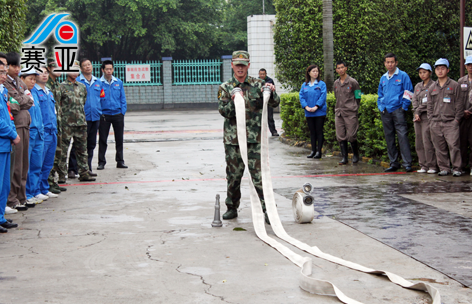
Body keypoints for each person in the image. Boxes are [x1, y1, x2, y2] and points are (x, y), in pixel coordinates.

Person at [218, 50, 279, 223]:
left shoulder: (259, 85)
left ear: (248, 66)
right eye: (237, 65)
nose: (240, 69)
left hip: (254, 140)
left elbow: (275, 102)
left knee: (259, 176)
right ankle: (232, 207)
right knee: (234, 176)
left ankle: (267, 210)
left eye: (243, 66)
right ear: (232, 65)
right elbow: (224, 111)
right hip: (234, 141)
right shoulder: (225, 87)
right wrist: (234, 99)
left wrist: (271, 92)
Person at [56, 62, 96, 182]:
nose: (74, 72)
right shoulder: (61, 87)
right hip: (66, 124)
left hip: (81, 123)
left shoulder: (82, 87)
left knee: (82, 150)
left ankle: (84, 173)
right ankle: (62, 175)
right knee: (63, 151)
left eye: (76, 69)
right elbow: (59, 105)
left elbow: (82, 102)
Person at [4, 52, 34, 211]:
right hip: (15, 126)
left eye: (18, 66)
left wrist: (22, 99)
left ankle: (21, 197)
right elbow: (13, 105)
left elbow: (28, 100)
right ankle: (11, 199)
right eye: (13, 66)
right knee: (15, 165)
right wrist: (23, 99)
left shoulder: (18, 82)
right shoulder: (6, 84)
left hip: (25, 125)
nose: (17, 69)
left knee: (24, 164)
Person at [377, 53, 414, 172]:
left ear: (396, 63)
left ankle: (407, 163)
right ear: (384, 63)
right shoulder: (383, 78)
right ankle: (394, 163)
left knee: (402, 136)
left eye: (392, 62)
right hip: (386, 111)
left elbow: (409, 92)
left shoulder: (403, 76)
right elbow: (380, 94)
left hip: (398, 110)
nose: (390, 64)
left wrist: (403, 107)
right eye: (387, 62)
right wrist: (381, 106)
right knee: (389, 138)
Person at [427, 58, 464, 176]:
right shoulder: (432, 87)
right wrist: (431, 120)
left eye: (442, 68)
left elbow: (459, 103)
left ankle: (457, 168)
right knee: (439, 147)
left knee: (454, 146)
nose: (440, 71)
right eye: (438, 69)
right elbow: (429, 105)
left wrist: (457, 120)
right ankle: (444, 168)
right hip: (436, 122)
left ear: (447, 70)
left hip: (450, 122)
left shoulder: (454, 85)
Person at [19, 68, 50, 207]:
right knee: (28, 165)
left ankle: (35, 190)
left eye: (33, 79)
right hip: (29, 133)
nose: (32, 82)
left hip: (38, 132)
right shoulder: (21, 94)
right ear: (22, 78)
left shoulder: (34, 94)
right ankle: (27, 193)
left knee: (37, 163)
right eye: (30, 79)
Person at [69, 58, 103, 177]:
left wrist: (99, 111)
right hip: (81, 117)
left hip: (95, 117)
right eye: (85, 65)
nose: (88, 67)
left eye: (89, 64)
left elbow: (101, 98)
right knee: (78, 144)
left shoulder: (98, 82)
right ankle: (72, 169)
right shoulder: (77, 82)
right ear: (81, 69)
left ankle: (87, 168)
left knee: (91, 144)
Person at [33, 66, 60, 199]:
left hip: (52, 131)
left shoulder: (49, 92)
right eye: (40, 73)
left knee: (48, 163)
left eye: (45, 73)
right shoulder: (34, 92)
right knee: (39, 162)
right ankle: (36, 189)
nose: (44, 75)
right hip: (42, 132)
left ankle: (44, 187)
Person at [0, 60, 20, 232]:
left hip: (5, 144)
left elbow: (8, 116)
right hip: (1, 143)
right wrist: (13, 134)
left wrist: (12, 131)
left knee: (5, 184)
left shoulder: (3, 92)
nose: (3, 75)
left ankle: (0, 217)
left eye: (4, 72)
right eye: (0, 72)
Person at [97, 60, 128, 170]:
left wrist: (122, 112)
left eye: (111, 69)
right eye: (107, 69)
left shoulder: (118, 82)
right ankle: (101, 162)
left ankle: (120, 161)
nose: (109, 71)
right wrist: (99, 112)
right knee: (102, 140)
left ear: (113, 69)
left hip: (117, 114)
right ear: (103, 70)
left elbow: (122, 98)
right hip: (104, 115)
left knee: (119, 139)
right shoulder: (98, 83)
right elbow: (97, 99)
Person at [333, 61, 361, 165]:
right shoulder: (336, 83)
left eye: (342, 67)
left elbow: (358, 96)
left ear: (346, 68)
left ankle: (355, 154)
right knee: (340, 135)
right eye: (338, 68)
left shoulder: (352, 82)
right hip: (339, 112)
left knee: (351, 135)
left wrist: (354, 107)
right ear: (336, 70)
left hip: (350, 112)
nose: (340, 70)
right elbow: (336, 96)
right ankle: (344, 157)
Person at [411, 63, 437, 174]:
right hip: (417, 117)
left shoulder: (434, 85)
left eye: (425, 72)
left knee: (428, 141)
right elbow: (414, 100)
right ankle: (423, 165)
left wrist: (419, 110)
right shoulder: (417, 86)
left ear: (430, 73)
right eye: (420, 72)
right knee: (419, 142)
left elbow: (429, 103)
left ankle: (432, 165)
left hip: (427, 116)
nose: (422, 74)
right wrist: (416, 112)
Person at [45, 58, 67, 193]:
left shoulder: (57, 84)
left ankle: (53, 181)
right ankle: (48, 182)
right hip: (50, 123)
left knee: (58, 153)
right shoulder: (46, 85)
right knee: (50, 155)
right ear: (49, 69)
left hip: (58, 122)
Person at [299, 64, 327, 159]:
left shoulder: (321, 84)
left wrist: (316, 106)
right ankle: (313, 151)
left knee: (319, 131)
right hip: (309, 112)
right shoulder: (305, 85)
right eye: (313, 71)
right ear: (309, 73)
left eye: (317, 71)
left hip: (319, 112)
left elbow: (323, 96)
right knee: (312, 132)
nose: (315, 73)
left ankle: (319, 151)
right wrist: (306, 106)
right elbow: (301, 96)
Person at [458, 55, 472, 174]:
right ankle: (461, 167)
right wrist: (462, 111)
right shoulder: (461, 81)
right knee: (461, 143)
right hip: (462, 117)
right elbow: (457, 99)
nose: (470, 67)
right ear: (465, 66)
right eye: (468, 65)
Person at [258, 68, 278, 136]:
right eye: (261, 74)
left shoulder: (270, 80)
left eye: (263, 74)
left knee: (270, 117)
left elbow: (273, 90)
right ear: (259, 74)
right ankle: (259, 133)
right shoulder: (257, 81)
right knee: (259, 118)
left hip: (269, 102)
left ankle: (273, 131)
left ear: (266, 74)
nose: (262, 75)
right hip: (260, 102)